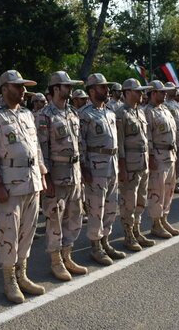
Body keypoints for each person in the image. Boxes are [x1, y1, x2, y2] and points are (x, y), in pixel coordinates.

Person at [0, 70, 47, 304]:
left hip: (31, 179)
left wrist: (41, 172)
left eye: (23, 86)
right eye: (18, 86)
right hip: (8, 182)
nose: (23, 90)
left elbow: (35, 146)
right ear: (5, 88)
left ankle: (22, 274)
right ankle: (9, 279)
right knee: (9, 231)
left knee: (28, 231)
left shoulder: (28, 114)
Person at [37, 71, 86, 281]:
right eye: (67, 86)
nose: (70, 89)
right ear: (56, 88)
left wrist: (82, 170)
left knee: (75, 215)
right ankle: (56, 261)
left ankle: (67, 255)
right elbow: (41, 148)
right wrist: (45, 177)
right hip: (56, 174)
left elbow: (78, 144)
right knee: (55, 218)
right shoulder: (45, 114)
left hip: (74, 173)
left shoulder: (73, 113)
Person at [79, 73, 126, 266]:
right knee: (96, 208)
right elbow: (80, 142)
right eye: (102, 87)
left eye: (106, 87)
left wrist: (120, 162)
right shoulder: (84, 114)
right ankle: (95, 246)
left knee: (110, 207)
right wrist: (84, 168)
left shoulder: (109, 112)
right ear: (92, 91)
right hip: (95, 165)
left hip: (112, 163)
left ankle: (105, 241)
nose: (107, 90)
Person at [116, 78, 155, 251]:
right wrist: (122, 167)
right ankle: (128, 234)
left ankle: (137, 231)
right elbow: (120, 142)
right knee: (128, 202)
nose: (142, 94)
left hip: (142, 162)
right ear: (128, 92)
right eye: (138, 91)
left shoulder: (140, 112)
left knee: (141, 200)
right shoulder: (120, 113)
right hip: (130, 165)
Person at [144, 81, 179, 238]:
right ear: (153, 93)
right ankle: (155, 223)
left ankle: (164, 219)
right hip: (158, 156)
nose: (165, 94)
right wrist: (151, 157)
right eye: (161, 92)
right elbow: (148, 137)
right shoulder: (148, 112)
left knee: (169, 189)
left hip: (170, 155)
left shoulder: (164, 109)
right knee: (157, 191)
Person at [164, 82, 179, 194]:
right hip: (170, 139)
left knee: (178, 163)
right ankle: (167, 186)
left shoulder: (176, 104)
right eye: (173, 89)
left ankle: (174, 184)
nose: (175, 91)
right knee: (170, 164)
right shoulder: (164, 104)